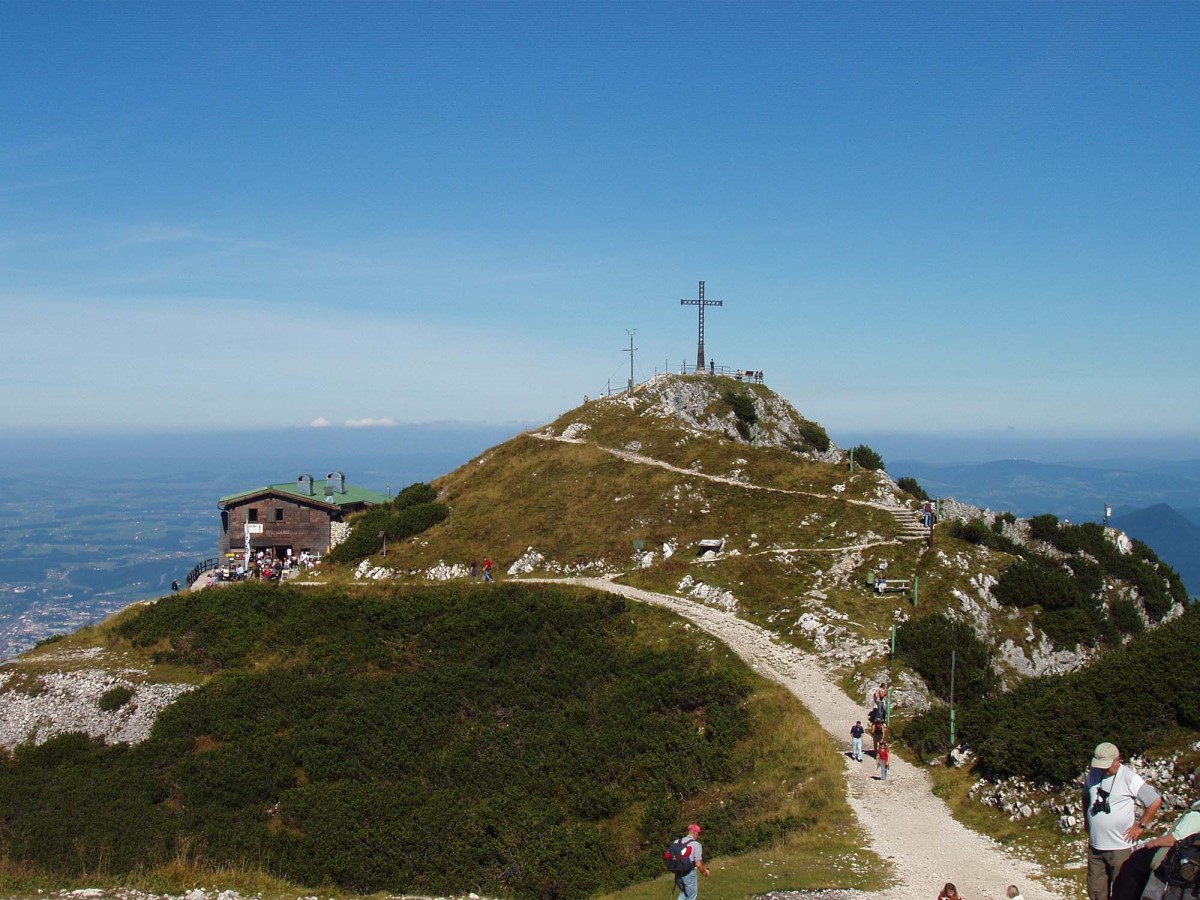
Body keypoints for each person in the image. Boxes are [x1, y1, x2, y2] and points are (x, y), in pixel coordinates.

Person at [1084, 741, 1162, 900]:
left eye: (1106, 765)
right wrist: (1087, 820)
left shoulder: (1129, 777)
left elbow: (1154, 801)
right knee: (1096, 891)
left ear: (1117, 760)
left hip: (1120, 846)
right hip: (1096, 846)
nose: (1103, 769)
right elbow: (1086, 796)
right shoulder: (1093, 774)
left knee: (1123, 891)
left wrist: (1140, 826)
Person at [1110, 765, 1200, 900]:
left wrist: (1153, 842)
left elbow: (1176, 838)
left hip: (1180, 853)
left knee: (1133, 865)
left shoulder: (1196, 813)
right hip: (1187, 851)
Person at [672, 822, 710, 900]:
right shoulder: (696, 844)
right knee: (691, 896)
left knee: (684, 893)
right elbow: (698, 864)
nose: (698, 836)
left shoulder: (676, 842)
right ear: (694, 832)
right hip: (689, 873)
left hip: (678, 872)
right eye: (698, 833)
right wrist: (704, 872)